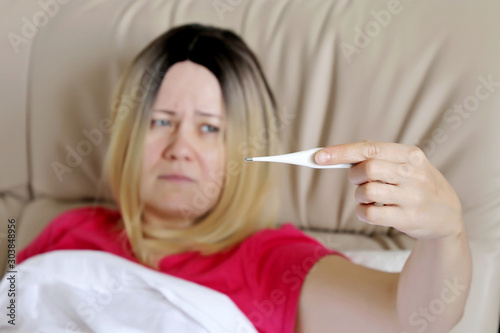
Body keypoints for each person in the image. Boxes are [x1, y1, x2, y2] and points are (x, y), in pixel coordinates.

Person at [17, 23, 472, 333]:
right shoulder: (67, 231)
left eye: (209, 128)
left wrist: (445, 235)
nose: (180, 147)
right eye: (160, 121)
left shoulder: (273, 262)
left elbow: (413, 317)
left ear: (245, 149)